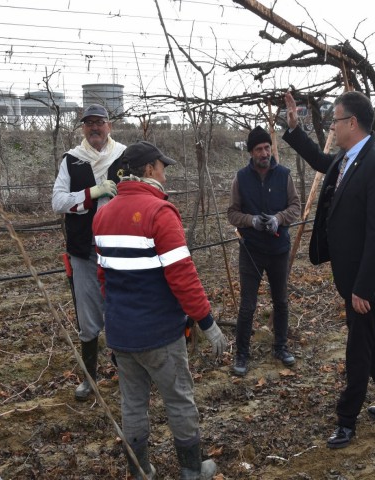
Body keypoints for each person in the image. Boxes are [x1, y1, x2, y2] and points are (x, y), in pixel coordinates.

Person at [92, 141, 227, 480]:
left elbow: (103, 277)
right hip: (159, 333)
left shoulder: (104, 213)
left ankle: (140, 471)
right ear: (149, 169)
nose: (165, 173)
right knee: (179, 400)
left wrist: (118, 316)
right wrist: (207, 323)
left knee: (133, 404)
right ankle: (191, 470)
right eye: (162, 167)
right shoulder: (159, 212)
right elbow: (182, 276)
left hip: (121, 333)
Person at [281, 91, 375, 449]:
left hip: (371, 275)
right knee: (370, 339)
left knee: (358, 346)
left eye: (335, 121)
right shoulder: (349, 158)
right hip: (353, 272)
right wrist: (294, 129)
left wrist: (364, 288)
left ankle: (347, 420)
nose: (332, 128)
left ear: (352, 123)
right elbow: (322, 161)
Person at [51, 104, 126, 401]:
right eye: (88, 124)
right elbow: (57, 201)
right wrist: (91, 194)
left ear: (109, 126)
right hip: (84, 249)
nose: (94, 128)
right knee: (87, 313)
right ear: (82, 128)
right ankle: (89, 378)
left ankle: (126, 367)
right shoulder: (72, 160)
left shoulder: (124, 155)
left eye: (99, 122)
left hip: (121, 247)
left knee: (122, 304)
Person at [227, 126, 301, 376]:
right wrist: (252, 221)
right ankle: (242, 354)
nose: (264, 153)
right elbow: (232, 213)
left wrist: (278, 219)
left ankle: (280, 347)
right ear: (250, 152)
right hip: (251, 251)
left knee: (280, 301)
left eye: (267, 148)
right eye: (259, 149)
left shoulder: (284, 175)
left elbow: (295, 206)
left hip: (279, 249)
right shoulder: (241, 178)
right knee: (248, 305)